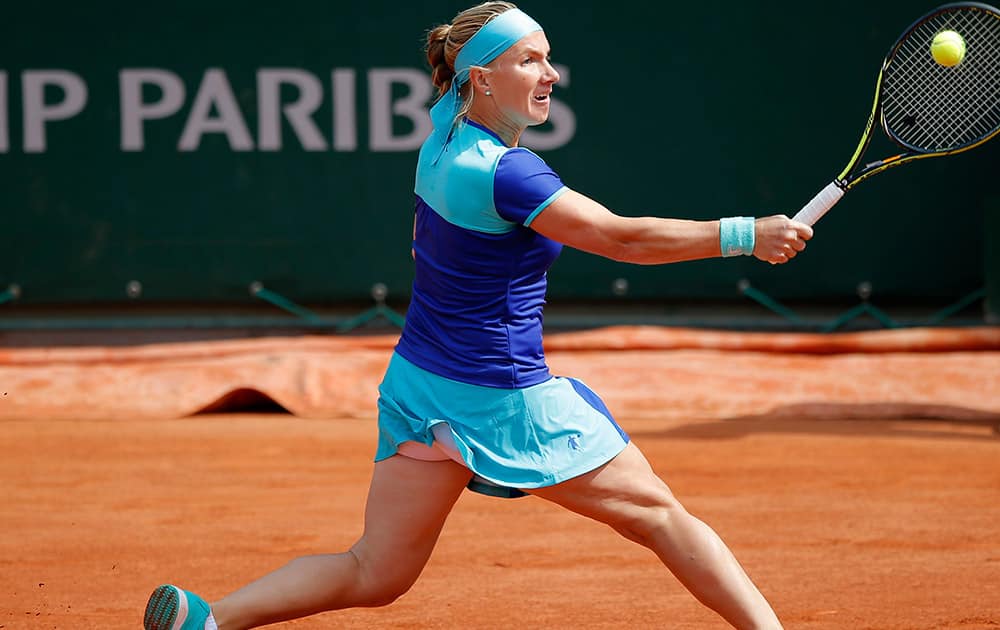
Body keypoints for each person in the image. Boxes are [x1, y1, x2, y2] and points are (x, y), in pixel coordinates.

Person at [143, 3, 812, 629]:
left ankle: (209, 620)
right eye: (530, 60)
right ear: (483, 77)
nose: (550, 74)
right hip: (503, 399)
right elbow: (620, 239)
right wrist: (744, 234)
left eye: (549, 58)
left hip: (419, 391)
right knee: (663, 517)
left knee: (374, 571)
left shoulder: (442, 143)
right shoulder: (507, 174)